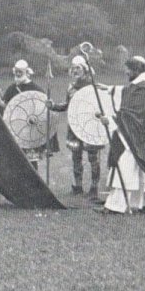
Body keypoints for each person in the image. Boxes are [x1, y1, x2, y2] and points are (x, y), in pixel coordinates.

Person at [100, 57, 145, 214]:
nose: (126, 72)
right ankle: (140, 204)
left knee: (126, 167)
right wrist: (110, 89)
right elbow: (128, 93)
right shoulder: (143, 86)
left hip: (140, 136)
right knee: (136, 171)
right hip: (141, 136)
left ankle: (116, 207)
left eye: (129, 70)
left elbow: (133, 114)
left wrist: (111, 120)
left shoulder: (143, 89)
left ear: (137, 71)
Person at [47, 56, 103, 199]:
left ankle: (94, 188)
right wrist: (53, 106)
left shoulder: (93, 87)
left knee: (93, 158)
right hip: (74, 127)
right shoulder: (71, 88)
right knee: (76, 157)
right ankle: (77, 186)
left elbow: (100, 107)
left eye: (78, 68)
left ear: (85, 69)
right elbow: (67, 106)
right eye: (73, 68)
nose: (75, 70)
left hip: (90, 126)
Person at [2, 59, 59, 170]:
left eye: (20, 72)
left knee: (31, 160)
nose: (18, 74)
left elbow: (43, 110)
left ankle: (33, 184)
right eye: (16, 72)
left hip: (31, 128)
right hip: (16, 127)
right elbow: (6, 107)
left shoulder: (36, 89)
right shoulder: (11, 88)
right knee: (16, 159)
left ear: (26, 72)